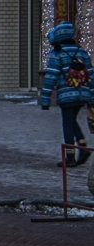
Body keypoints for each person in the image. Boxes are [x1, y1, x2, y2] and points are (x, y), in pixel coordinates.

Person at [40, 21, 94, 167]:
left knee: (67, 123)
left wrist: (45, 99)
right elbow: (91, 74)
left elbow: (51, 76)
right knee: (72, 120)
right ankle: (82, 146)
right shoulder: (81, 51)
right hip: (82, 94)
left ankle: (70, 157)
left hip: (66, 95)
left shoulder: (58, 53)